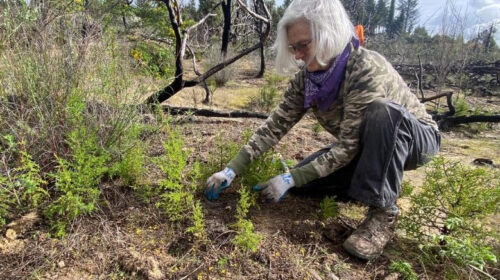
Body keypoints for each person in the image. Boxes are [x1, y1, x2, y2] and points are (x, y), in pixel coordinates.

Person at [205, 0, 440, 261]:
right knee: (305, 183)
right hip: (363, 145)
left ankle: (383, 213)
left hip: (414, 140)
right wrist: (231, 169)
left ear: (328, 34)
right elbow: (275, 126)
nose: (297, 55)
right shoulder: (308, 78)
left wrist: (292, 177)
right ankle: (360, 186)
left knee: (382, 111)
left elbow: (349, 145)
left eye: (303, 45)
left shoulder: (363, 68)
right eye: (293, 47)